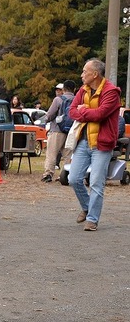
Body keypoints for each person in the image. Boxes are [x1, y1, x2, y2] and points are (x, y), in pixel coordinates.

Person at [67, 58, 121, 231]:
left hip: (102, 144)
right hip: (83, 141)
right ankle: (87, 206)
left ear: (95, 74)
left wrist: (83, 110)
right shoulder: (83, 90)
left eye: (85, 71)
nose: (82, 75)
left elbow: (100, 114)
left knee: (97, 183)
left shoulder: (111, 92)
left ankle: (92, 219)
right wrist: (83, 111)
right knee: (73, 178)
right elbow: (72, 111)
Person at [41, 80, 75, 182]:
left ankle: (48, 174)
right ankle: (65, 175)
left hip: (57, 130)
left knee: (52, 153)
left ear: (63, 89)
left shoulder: (58, 99)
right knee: (68, 154)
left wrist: (46, 120)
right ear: (75, 89)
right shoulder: (78, 100)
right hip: (71, 131)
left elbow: (50, 114)